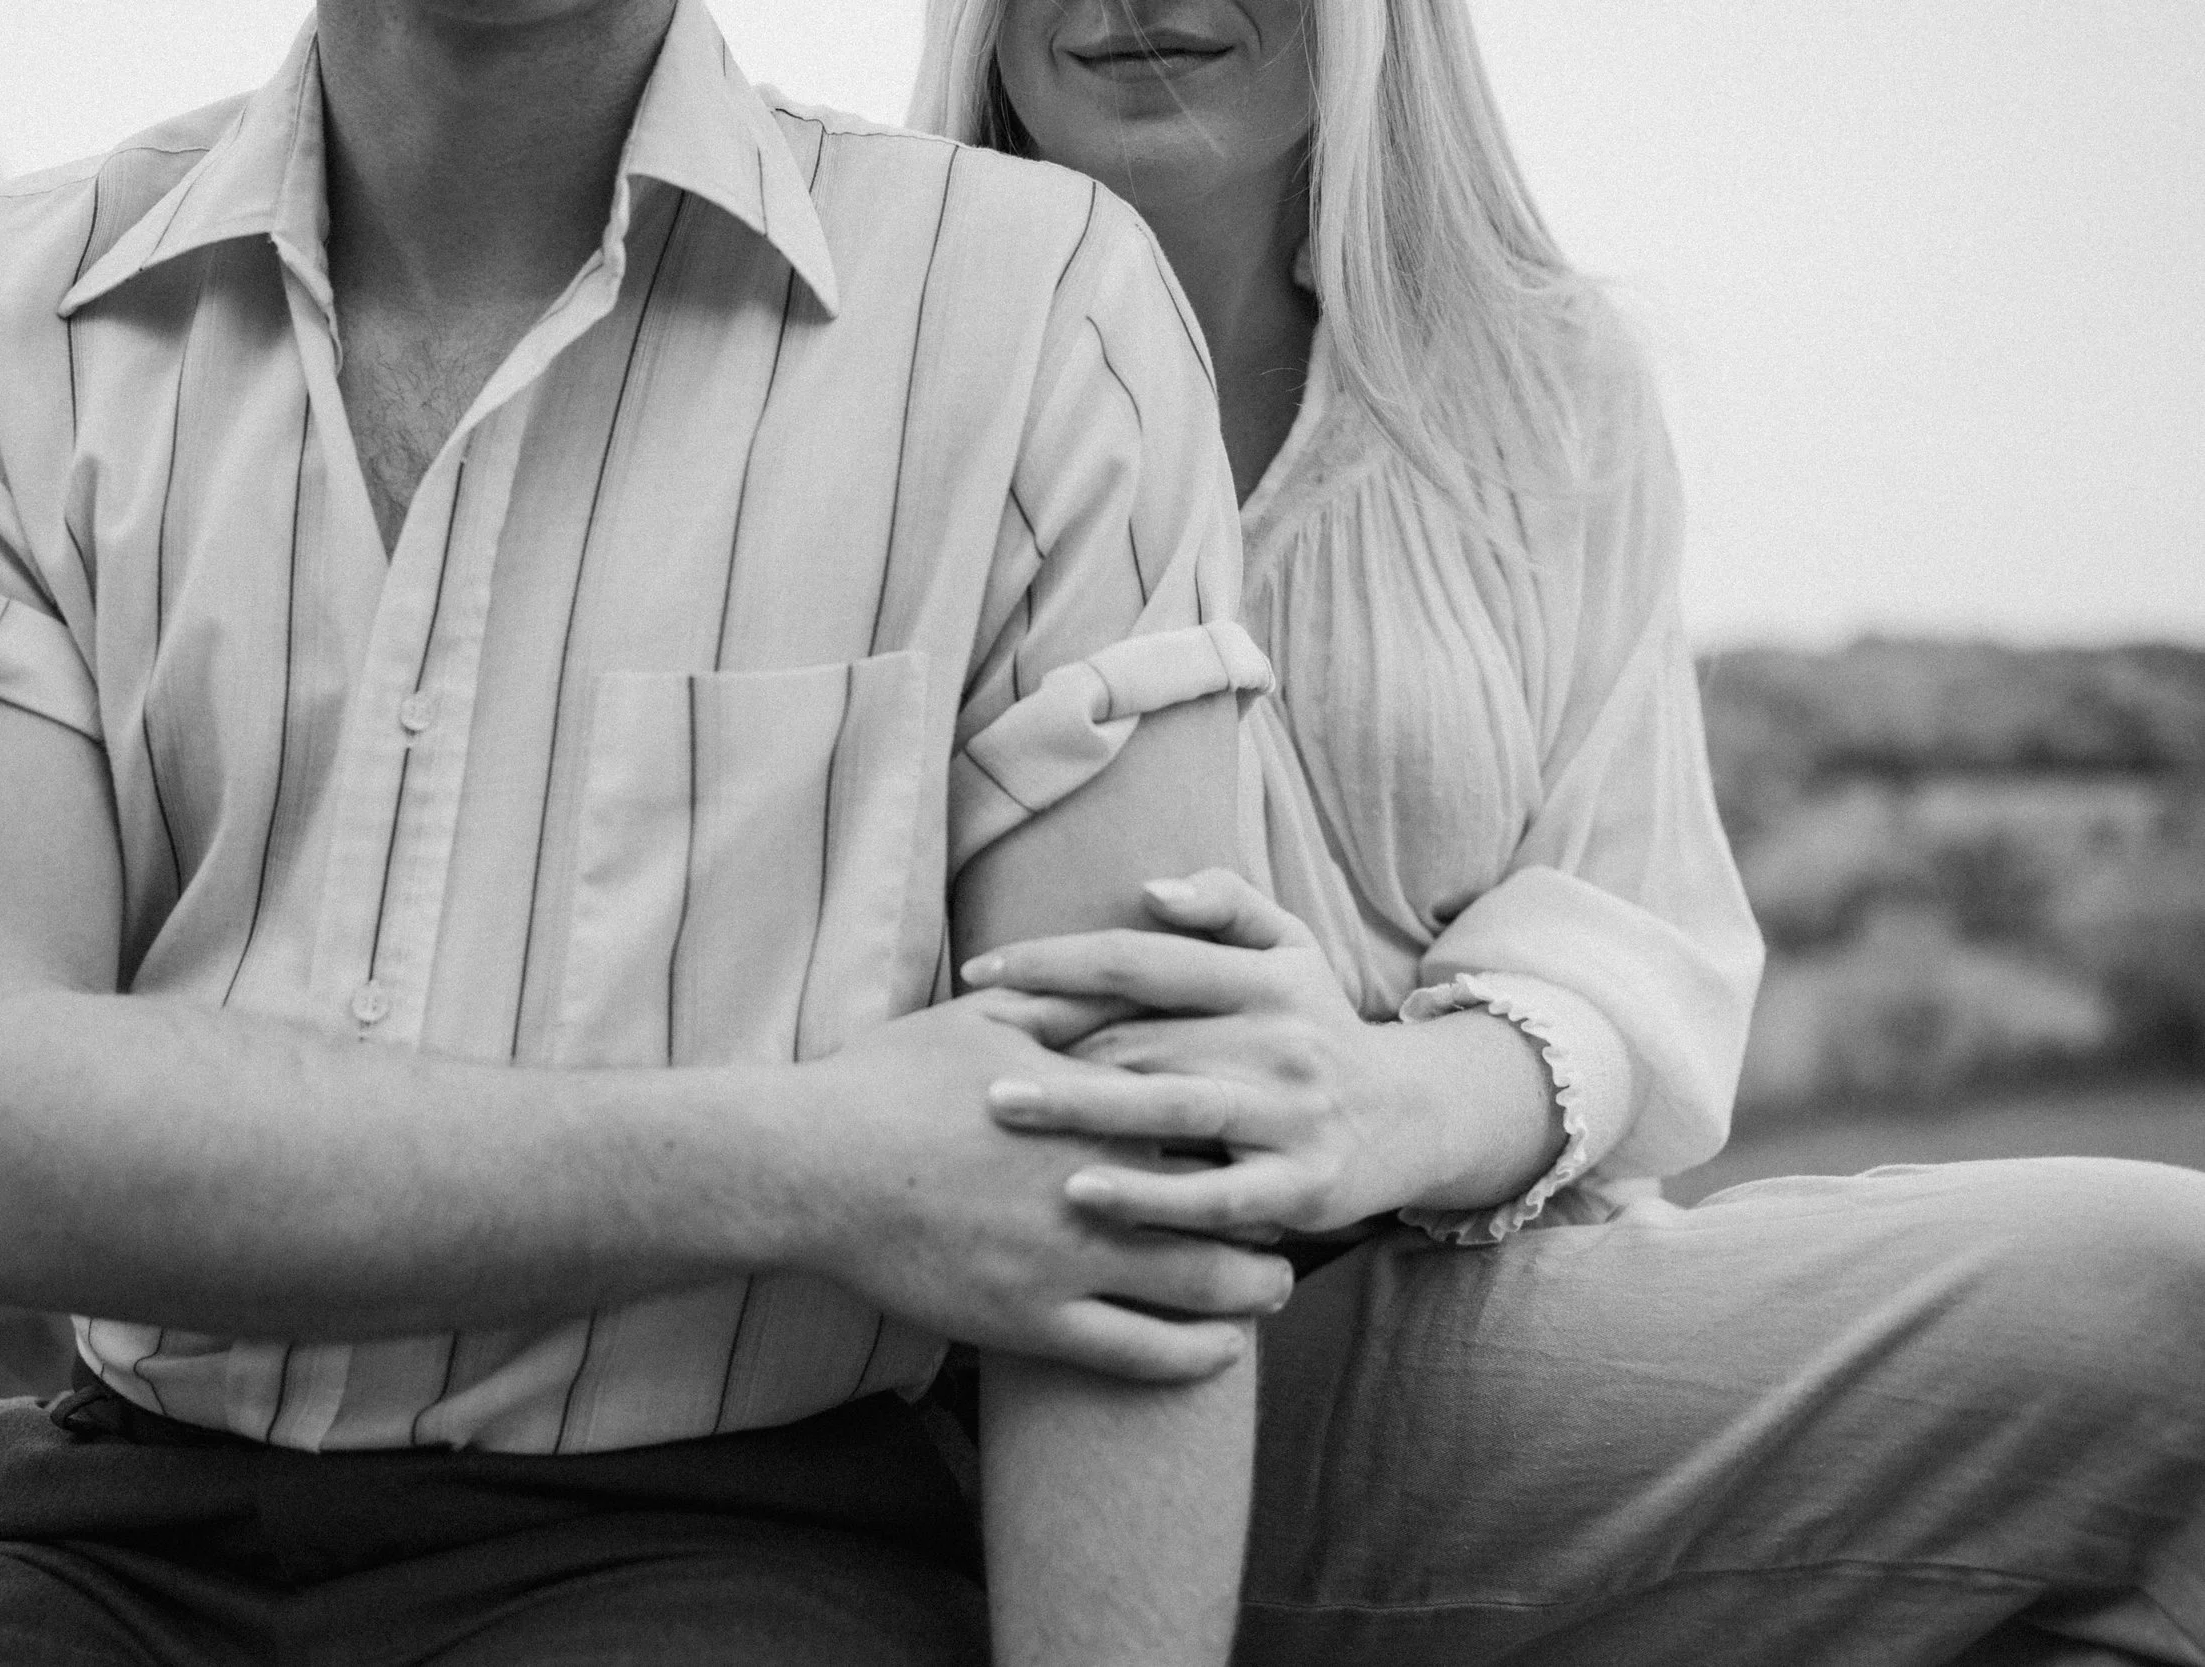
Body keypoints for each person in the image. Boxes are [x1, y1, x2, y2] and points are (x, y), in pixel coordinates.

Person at [0, 1, 1306, 1661]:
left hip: (734, 1552)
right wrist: (827, 1159)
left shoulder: (1037, 303)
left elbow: (1131, 1188)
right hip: (117, 1548)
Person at [915, 1, 2205, 1662]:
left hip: (1470, 1312)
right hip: (1020, 1370)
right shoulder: (877, 371)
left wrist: (1383, 1103)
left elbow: (1627, 921)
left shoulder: (1541, 386)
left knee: (2153, 1333)